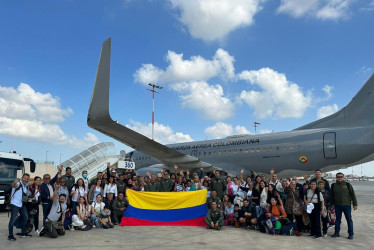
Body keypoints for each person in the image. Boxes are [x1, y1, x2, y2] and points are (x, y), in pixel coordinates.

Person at [331, 172, 358, 240]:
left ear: (343, 177)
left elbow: (353, 195)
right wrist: (332, 204)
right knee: (337, 220)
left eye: (341, 177)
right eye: (338, 177)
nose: (339, 178)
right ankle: (337, 232)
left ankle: (351, 234)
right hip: (337, 206)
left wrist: (355, 204)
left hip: (347, 205)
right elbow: (332, 196)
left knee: (349, 220)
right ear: (336, 178)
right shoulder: (333, 185)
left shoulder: (347, 185)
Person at [8, 174, 31, 240]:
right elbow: (14, 185)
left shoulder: (25, 186)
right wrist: (15, 182)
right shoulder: (18, 183)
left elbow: (27, 193)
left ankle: (23, 232)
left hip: (21, 204)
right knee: (12, 220)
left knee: (25, 217)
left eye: (27, 179)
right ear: (22, 178)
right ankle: (10, 235)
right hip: (15, 204)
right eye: (25, 178)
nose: (26, 180)